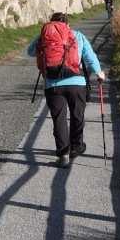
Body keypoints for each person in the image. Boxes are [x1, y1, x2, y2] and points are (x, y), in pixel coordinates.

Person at [27, 13, 105, 166]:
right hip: (77, 83)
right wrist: (99, 72)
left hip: (53, 84)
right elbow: (90, 56)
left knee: (59, 119)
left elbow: (30, 51)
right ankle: (76, 146)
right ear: (67, 24)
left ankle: (63, 155)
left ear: (51, 24)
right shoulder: (77, 35)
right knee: (77, 115)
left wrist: (43, 38)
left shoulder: (45, 37)